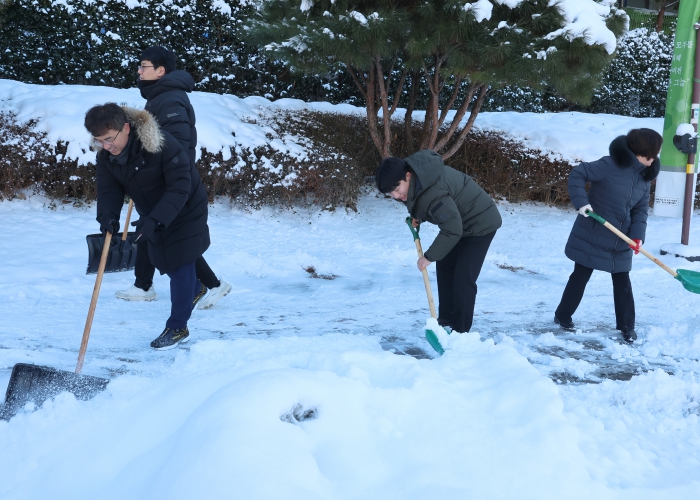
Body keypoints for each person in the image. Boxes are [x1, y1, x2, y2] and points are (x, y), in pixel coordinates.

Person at [114, 45, 231, 309]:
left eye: (144, 66)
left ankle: (209, 285)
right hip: (159, 178)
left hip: (170, 180)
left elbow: (176, 143)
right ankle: (145, 285)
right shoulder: (160, 96)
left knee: (164, 233)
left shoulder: (171, 100)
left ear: (161, 70)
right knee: (152, 229)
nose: (139, 71)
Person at [85, 103, 210, 350]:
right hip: (152, 207)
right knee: (161, 255)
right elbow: (109, 187)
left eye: (110, 139)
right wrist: (108, 215)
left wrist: (155, 220)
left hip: (186, 206)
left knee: (180, 260)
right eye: (100, 141)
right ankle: (197, 287)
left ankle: (177, 327)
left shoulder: (162, 145)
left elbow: (179, 187)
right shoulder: (106, 155)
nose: (106, 146)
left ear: (127, 128)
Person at [554, 128, 663, 343]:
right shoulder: (610, 164)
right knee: (580, 276)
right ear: (638, 152)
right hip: (593, 232)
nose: (652, 161)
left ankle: (626, 326)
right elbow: (578, 174)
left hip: (621, 238)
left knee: (622, 280)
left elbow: (640, 210)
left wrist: (637, 236)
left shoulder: (644, 177)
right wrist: (581, 202)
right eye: (650, 156)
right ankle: (562, 316)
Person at [375, 149, 502, 334]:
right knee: (445, 268)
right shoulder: (418, 180)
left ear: (408, 176)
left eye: (396, 189)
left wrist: (429, 256)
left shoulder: (432, 190)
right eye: (390, 194)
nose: (396, 196)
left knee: (463, 279)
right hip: (459, 223)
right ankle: (446, 322)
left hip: (479, 224)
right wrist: (419, 216)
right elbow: (430, 205)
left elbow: (451, 226)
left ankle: (461, 333)